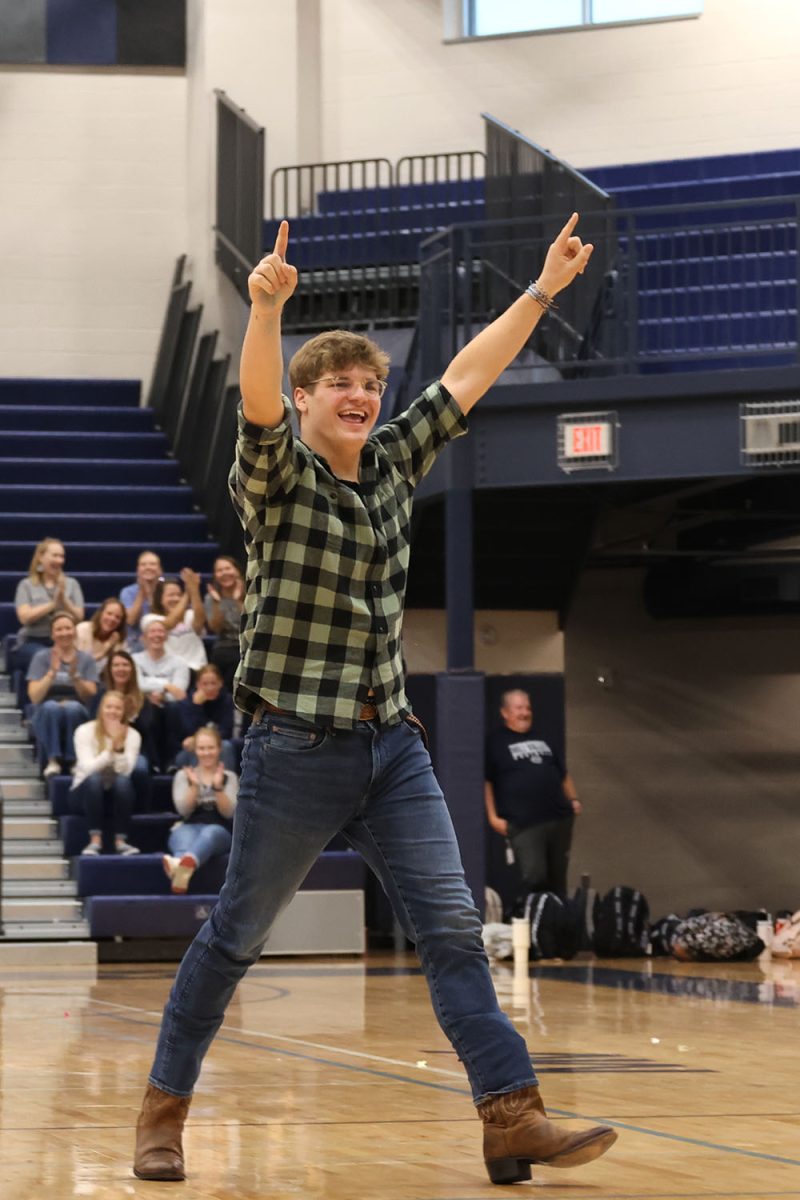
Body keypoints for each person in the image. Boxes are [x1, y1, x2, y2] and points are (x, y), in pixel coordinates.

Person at [133, 215, 617, 1186]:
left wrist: (540, 292)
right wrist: (267, 310)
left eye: (370, 384)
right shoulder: (274, 478)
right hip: (289, 752)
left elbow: (468, 378)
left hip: (391, 748)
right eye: (340, 385)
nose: (360, 395)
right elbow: (258, 405)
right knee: (233, 938)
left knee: (449, 930)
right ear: (309, 398)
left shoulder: (396, 461)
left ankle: (509, 1115)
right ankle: (163, 1112)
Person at [484, 689, 581, 900]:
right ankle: (534, 926)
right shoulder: (496, 742)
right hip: (524, 823)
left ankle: (557, 925)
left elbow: (562, 773)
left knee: (558, 881)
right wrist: (492, 818)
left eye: (527, 708)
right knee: (534, 877)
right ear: (505, 712)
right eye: (519, 708)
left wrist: (573, 800)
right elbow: (487, 782)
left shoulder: (543, 737)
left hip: (559, 817)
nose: (525, 712)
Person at [162, 726, 237, 894]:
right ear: (195, 751)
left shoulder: (230, 777)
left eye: (210, 748)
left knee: (209, 833)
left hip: (219, 829)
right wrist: (195, 786)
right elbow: (183, 810)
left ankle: (179, 865)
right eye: (202, 748)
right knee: (182, 838)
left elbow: (229, 813)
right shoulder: (183, 776)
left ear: (219, 749)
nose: (206, 752)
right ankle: (182, 870)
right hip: (189, 824)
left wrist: (218, 788)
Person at [70, 690, 142, 856]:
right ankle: (95, 841)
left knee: (123, 782)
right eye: (109, 707)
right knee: (95, 779)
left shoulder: (133, 735)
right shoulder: (84, 731)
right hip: (84, 792)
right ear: (101, 709)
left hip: (115, 794)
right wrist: (111, 751)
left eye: (118, 708)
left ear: (124, 712)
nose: (113, 712)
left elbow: (126, 771)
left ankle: (121, 841)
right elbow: (88, 769)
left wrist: (119, 748)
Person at [26, 611, 98, 776]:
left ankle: (73, 760)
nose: (64, 633)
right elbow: (34, 696)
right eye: (59, 629)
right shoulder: (41, 657)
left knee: (72, 708)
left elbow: (90, 696)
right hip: (46, 708)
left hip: (78, 708)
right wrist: (51, 672)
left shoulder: (86, 659)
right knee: (52, 707)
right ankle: (53, 760)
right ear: (52, 634)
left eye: (68, 628)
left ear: (75, 632)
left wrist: (76, 677)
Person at [12, 538, 85, 698]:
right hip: (33, 640)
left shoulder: (72, 584)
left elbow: (79, 616)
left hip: (65, 641)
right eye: (55, 556)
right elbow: (24, 617)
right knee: (43, 656)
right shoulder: (27, 585)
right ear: (41, 557)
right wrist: (53, 604)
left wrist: (64, 600)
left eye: (62, 556)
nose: (59, 560)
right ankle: (32, 709)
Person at [132, 614, 190, 771]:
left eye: (160, 631)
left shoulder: (179, 662)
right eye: (152, 631)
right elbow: (137, 685)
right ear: (144, 637)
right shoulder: (134, 660)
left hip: (170, 708)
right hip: (145, 708)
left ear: (166, 636)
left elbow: (180, 693)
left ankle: (171, 761)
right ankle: (153, 761)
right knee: (147, 709)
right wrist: (167, 685)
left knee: (173, 708)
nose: (157, 635)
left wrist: (161, 693)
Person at [175, 664, 235, 769]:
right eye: (205, 684)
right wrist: (196, 707)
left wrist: (204, 740)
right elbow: (189, 730)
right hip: (190, 747)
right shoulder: (187, 703)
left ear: (220, 683)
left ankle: (225, 782)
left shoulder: (227, 700)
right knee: (195, 747)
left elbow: (226, 731)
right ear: (197, 684)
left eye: (213, 683)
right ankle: (198, 783)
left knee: (226, 746)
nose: (209, 688)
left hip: (217, 744)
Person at [151, 571, 207, 672]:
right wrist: (187, 593)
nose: (176, 599)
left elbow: (199, 624)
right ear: (160, 599)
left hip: (196, 668)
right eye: (171, 595)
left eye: (178, 595)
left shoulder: (190, 614)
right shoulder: (151, 619)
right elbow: (168, 624)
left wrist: (194, 590)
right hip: (169, 672)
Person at [203, 556, 245, 690]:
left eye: (227, 568)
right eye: (220, 570)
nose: (224, 573)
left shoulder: (251, 592)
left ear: (237, 571)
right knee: (224, 658)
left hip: (247, 644)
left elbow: (252, 622)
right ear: (215, 575)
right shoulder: (211, 598)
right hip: (225, 646)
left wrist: (238, 600)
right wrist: (217, 603)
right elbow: (215, 628)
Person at [121, 550, 163, 652]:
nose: (148, 567)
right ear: (138, 570)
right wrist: (142, 592)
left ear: (160, 570)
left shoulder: (166, 590)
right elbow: (131, 620)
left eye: (152, 564)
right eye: (143, 565)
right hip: (135, 643)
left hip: (162, 639)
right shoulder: (127, 592)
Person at [75, 597, 128, 673]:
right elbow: (81, 665)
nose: (112, 619)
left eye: (118, 617)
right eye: (109, 614)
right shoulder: (82, 629)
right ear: (100, 613)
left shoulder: (120, 641)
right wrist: (105, 649)